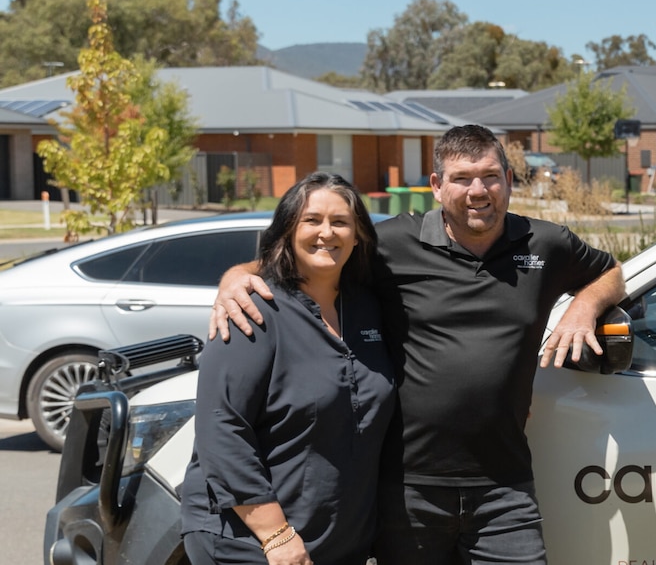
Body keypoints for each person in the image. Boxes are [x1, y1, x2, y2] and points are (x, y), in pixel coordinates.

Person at [211, 125, 626, 564]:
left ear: (508, 178)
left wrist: (582, 307)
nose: (478, 190)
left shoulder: (545, 244)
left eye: (490, 176)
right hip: (406, 492)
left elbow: (610, 273)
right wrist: (234, 278)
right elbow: (304, 258)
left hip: (504, 487)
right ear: (436, 186)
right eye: (462, 178)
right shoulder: (391, 244)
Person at [181, 173, 396, 565]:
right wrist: (275, 535)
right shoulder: (253, 307)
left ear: (359, 233)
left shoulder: (368, 306)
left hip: (337, 541)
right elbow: (220, 425)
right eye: (311, 220)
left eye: (340, 222)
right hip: (253, 543)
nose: (326, 233)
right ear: (286, 230)